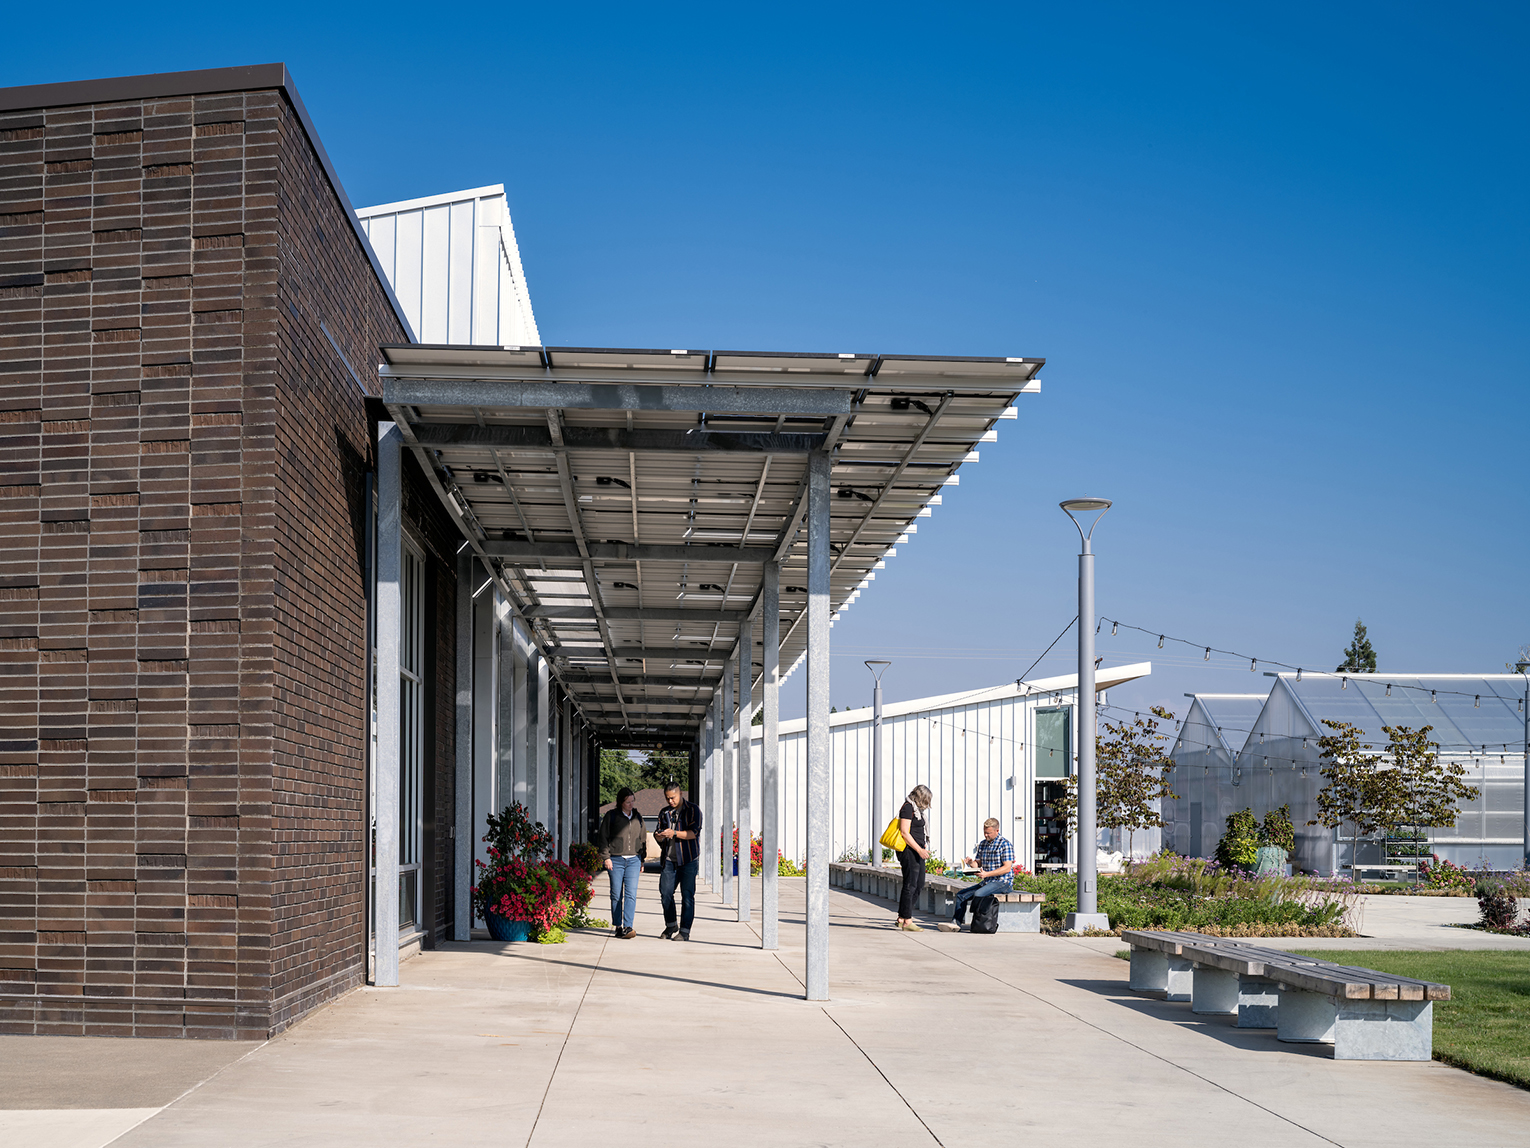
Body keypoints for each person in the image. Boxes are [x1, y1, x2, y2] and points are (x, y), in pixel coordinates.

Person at [654, 781, 702, 941]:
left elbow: (694, 833)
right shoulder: (664, 812)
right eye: (667, 798)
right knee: (665, 893)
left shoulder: (693, 810)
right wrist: (658, 836)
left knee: (687, 896)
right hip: (669, 860)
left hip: (688, 859)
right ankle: (671, 925)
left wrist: (674, 833)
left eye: (673, 798)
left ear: (680, 794)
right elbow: (659, 833)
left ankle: (685, 931)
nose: (670, 801)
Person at [950, 817, 1016, 930]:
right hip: (987, 881)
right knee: (961, 895)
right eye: (984, 832)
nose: (986, 835)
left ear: (997, 831)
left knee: (978, 894)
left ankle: (977, 922)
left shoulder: (1005, 845)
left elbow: (1006, 868)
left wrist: (987, 874)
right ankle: (956, 923)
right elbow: (978, 864)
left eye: (988, 833)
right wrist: (971, 863)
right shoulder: (983, 844)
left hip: (1002, 882)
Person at [597, 787, 646, 939]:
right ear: (621, 802)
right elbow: (603, 837)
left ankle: (628, 926)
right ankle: (618, 925)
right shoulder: (611, 816)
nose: (631, 804)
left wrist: (642, 859)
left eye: (632, 801)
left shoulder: (638, 817)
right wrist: (606, 857)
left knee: (631, 894)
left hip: (634, 860)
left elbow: (642, 838)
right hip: (616, 860)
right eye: (627, 802)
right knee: (616, 894)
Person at [894, 784, 933, 931]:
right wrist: (919, 849)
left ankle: (902, 917)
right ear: (919, 797)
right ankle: (907, 921)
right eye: (925, 800)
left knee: (919, 883)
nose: (926, 804)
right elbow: (904, 832)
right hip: (909, 850)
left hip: (917, 851)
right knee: (910, 884)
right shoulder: (908, 808)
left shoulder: (918, 811)